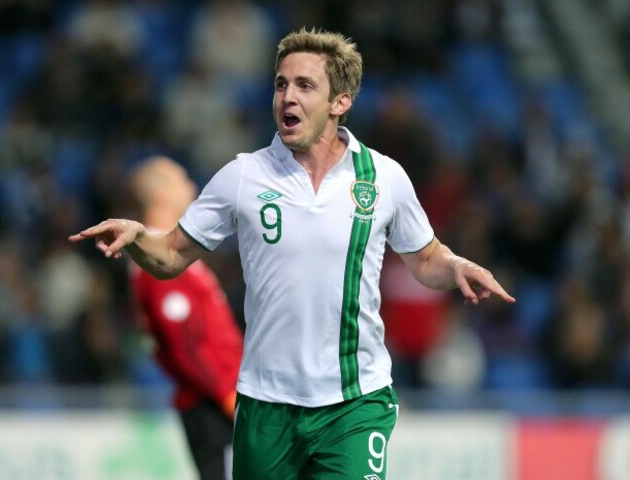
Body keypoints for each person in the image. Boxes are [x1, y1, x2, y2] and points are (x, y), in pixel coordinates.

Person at [70, 28, 515, 480]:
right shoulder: (243, 177)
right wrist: (138, 236)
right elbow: (169, 256)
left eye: (304, 85)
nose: (287, 96)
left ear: (340, 102)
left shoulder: (384, 177)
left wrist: (455, 264)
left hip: (354, 403)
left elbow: (424, 258)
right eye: (281, 84)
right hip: (266, 406)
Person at [125, 156, 243, 480]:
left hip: (217, 397)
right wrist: (229, 396)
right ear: (161, 195)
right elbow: (188, 347)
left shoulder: (172, 252)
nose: (192, 187)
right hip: (213, 404)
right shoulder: (157, 263)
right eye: (181, 180)